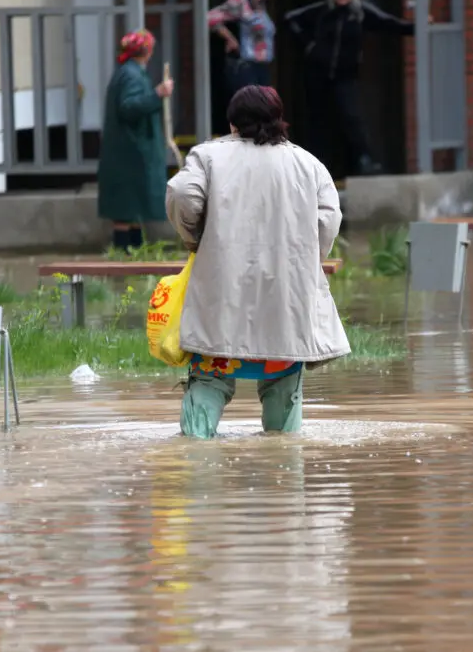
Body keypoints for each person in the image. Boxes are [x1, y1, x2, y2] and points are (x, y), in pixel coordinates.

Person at [165, 85, 351, 439]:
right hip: (286, 299)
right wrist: (306, 260)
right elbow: (328, 220)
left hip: (222, 296)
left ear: (232, 122)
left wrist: (195, 239)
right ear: (279, 119)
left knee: (209, 380)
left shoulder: (208, 157)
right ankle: (284, 461)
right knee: (283, 389)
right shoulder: (308, 164)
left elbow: (182, 194)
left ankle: (195, 459)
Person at [284, 0, 417, 176]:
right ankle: (316, 166)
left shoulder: (361, 12)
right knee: (319, 120)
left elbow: (390, 23)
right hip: (318, 75)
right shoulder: (323, 10)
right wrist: (309, 46)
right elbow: (291, 18)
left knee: (352, 117)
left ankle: (365, 160)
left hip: (345, 76)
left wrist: (417, 27)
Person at [97, 29, 174, 252]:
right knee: (128, 205)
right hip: (131, 151)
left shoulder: (126, 72)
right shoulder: (132, 75)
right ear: (146, 51)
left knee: (131, 206)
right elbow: (129, 107)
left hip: (126, 149)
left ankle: (133, 252)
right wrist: (157, 94)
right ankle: (126, 253)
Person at [208, 0, 275, 97]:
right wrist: (229, 37)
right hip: (246, 67)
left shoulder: (261, 7)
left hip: (262, 68)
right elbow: (209, 18)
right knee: (250, 106)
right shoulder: (240, 3)